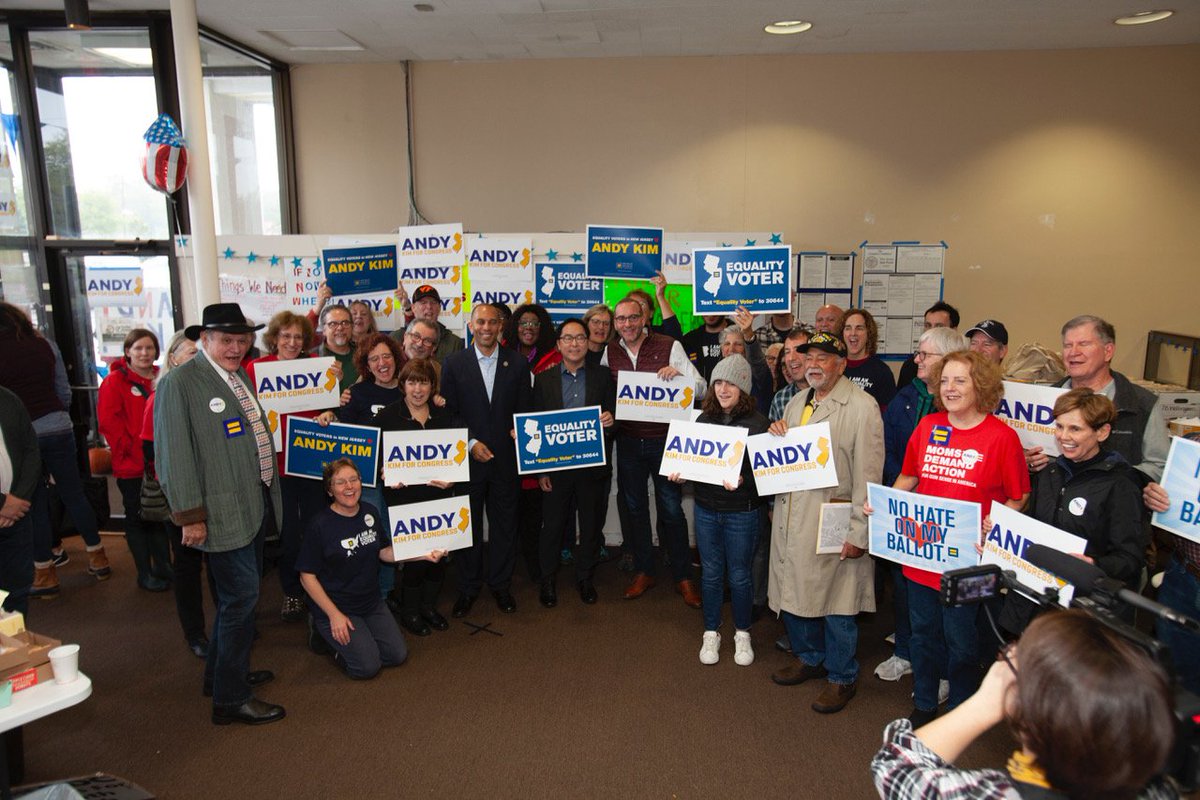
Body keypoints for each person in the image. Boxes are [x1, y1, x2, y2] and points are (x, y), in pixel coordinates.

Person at [871, 609, 1178, 800]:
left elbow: (894, 766)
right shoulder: (1160, 790)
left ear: (1033, 714)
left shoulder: (997, 793)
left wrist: (989, 699)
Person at [155, 303, 285, 726]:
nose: (235, 347)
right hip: (220, 511)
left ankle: (220, 676)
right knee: (241, 600)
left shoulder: (238, 375)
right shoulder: (179, 383)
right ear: (204, 339)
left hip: (252, 503)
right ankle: (231, 699)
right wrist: (190, 516)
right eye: (226, 340)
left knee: (238, 599)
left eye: (242, 340)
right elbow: (173, 457)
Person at [885, 351, 1029, 727]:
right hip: (921, 555)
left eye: (960, 380)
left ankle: (961, 709)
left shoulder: (1002, 437)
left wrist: (998, 524)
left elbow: (1019, 495)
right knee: (923, 635)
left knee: (963, 642)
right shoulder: (928, 426)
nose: (949, 388)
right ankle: (925, 701)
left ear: (980, 385)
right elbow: (909, 477)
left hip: (971, 564)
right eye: (945, 380)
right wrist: (885, 506)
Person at [767, 331, 883, 714]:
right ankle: (810, 657)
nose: (813, 364)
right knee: (795, 589)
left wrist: (859, 533)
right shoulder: (797, 401)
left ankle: (842, 676)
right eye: (809, 357)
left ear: (842, 364)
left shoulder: (862, 407)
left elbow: (869, 476)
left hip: (834, 518)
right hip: (794, 514)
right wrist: (776, 434)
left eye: (823, 358)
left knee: (838, 602)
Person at [999, 389, 1147, 635]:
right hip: (1034, 603)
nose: (1063, 436)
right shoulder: (1049, 473)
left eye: (1075, 429)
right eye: (1059, 426)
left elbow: (1130, 559)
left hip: (1082, 613)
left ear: (1102, 432)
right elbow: (1031, 529)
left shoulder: (1121, 484)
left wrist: (1093, 564)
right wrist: (999, 532)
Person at [876, 327, 968, 683]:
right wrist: (896, 494)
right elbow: (889, 449)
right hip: (907, 510)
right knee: (905, 589)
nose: (917, 359)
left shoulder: (966, 412)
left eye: (924, 354)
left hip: (948, 521)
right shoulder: (906, 397)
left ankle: (943, 670)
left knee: (946, 601)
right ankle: (905, 651)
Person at [299, 458, 445, 678]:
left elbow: (384, 552)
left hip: (370, 601)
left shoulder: (370, 512)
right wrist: (334, 615)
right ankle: (323, 634)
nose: (349, 487)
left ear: (361, 482)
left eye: (353, 479)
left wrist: (423, 554)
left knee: (397, 655)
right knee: (367, 667)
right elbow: (306, 576)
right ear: (329, 490)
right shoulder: (319, 525)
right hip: (337, 605)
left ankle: (360, 641)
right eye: (340, 482)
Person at [0, 303, 109, 597]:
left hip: (21, 435)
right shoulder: (44, 345)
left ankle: (45, 573)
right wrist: (58, 413)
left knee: (33, 502)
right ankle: (98, 556)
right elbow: (63, 389)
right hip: (58, 425)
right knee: (74, 493)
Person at [603, 297, 706, 607]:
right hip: (629, 443)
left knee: (671, 510)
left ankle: (683, 576)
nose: (627, 324)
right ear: (615, 323)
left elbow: (702, 387)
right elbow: (602, 391)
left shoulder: (669, 345)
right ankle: (645, 570)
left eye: (633, 317)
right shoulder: (610, 351)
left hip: (665, 442)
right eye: (621, 319)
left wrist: (681, 379)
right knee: (635, 509)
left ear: (645, 317)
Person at [669, 355, 768, 667]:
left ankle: (742, 632)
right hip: (706, 510)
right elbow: (695, 464)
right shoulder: (702, 420)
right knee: (711, 574)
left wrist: (744, 479)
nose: (724, 389)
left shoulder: (759, 424)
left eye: (731, 384)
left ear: (744, 388)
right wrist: (682, 473)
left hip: (742, 512)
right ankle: (711, 631)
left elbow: (767, 476)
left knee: (739, 576)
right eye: (719, 383)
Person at [440, 303, 532, 616]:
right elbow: (450, 414)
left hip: (506, 461)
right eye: (480, 322)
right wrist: (470, 443)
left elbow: (524, 411)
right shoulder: (454, 363)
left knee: (505, 527)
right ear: (471, 325)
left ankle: (501, 585)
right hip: (467, 460)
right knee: (468, 527)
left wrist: (521, 431)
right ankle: (468, 587)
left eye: (493, 322)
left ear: (501, 326)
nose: (487, 328)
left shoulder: (517, 363)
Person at [246, 311, 330, 622]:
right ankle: (292, 591)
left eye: (298, 337)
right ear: (274, 339)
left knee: (315, 528)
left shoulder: (317, 367)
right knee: (288, 533)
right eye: (286, 336)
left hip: (310, 463)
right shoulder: (256, 369)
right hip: (277, 466)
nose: (292, 342)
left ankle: (318, 589)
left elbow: (328, 409)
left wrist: (329, 414)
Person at [1029, 315, 1168, 493]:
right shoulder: (1042, 399)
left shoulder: (1141, 404)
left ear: (1108, 351)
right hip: (1052, 504)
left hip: (1114, 506)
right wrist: (1027, 464)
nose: (1073, 352)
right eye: (1067, 345)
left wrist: (1111, 481)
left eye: (1083, 344)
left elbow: (1159, 466)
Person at [532, 319, 616, 607]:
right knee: (552, 527)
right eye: (568, 338)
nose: (575, 344)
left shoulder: (603, 376)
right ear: (559, 344)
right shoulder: (543, 380)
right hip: (556, 469)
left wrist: (610, 421)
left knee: (590, 526)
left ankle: (585, 578)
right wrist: (540, 470)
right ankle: (547, 580)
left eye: (580, 338)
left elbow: (615, 415)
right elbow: (536, 426)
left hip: (592, 467)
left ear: (587, 341)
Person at [374, 358, 460, 635]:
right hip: (405, 500)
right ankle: (410, 613)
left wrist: (453, 477)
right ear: (403, 385)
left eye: (423, 383)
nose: (418, 389)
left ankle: (428, 607)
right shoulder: (387, 417)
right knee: (415, 560)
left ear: (432, 386)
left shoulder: (444, 416)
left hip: (439, 497)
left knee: (438, 558)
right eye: (412, 382)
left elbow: (456, 456)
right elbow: (374, 460)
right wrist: (385, 472)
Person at [142, 332, 214, 658]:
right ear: (173, 358)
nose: (197, 359)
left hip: (213, 491)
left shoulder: (212, 390)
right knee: (187, 567)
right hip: (181, 498)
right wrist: (183, 499)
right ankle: (195, 634)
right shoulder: (161, 397)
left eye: (200, 353)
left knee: (218, 564)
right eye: (190, 353)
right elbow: (151, 453)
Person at [99, 328, 172, 592]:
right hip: (132, 466)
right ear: (128, 352)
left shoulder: (162, 377)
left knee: (160, 516)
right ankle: (145, 573)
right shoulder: (114, 382)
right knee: (137, 518)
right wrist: (132, 453)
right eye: (138, 348)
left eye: (149, 348)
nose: (144, 353)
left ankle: (163, 566)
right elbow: (109, 424)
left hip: (161, 463)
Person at [0, 385, 39, 617]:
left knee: (17, 594)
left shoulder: (8, 399)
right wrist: (2, 504)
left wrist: (19, 499)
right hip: (9, 509)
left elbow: (31, 450)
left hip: (16, 516)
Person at [840, 307, 896, 410]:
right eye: (848, 328)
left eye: (859, 328)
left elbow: (888, 413)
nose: (853, 333)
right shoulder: (835, 367)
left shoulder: (881, 371)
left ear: (868, 334)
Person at [896, 301, 960, 390]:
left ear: (953, 330)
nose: (931, 331)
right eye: (928, 325)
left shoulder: (962, 366)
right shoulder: (912, 365)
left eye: (939, 326)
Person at [721, 309, 773, 416]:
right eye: (727, 344)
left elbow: (756, 361)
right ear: (722, 350)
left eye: (738, 344)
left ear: (746, 350)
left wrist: (748, 334)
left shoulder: (757, 374)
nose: (731, 349)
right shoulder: (718, 377)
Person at [407, 284, 464, 363]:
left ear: (439, 308)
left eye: (433, 302)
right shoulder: (398, 338)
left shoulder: (455, 343)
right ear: (413, 308)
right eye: (423, 303)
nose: (429, 306)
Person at [768, 328, 812, 422]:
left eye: (798, 350)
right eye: (787, 352)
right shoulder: (780, 398)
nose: (791, 358)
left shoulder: (829, 391)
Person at [317, 304, 358, 390]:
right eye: (333, 324)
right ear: (323, 330)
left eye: (345, 323)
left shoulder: (364, 354)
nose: (340, 328)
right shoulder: (312, 358)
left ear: (352, 327)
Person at [582, 303, 614, 368]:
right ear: (586, 324)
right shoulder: (576, 352)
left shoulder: (613, 354)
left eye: (606, 323)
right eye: (596, 322)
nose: (601, 327)